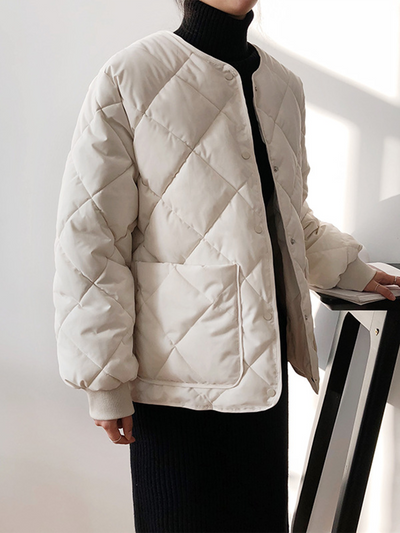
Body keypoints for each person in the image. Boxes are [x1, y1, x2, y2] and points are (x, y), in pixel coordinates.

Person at [52, 0, 399, 531]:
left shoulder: (283, 86)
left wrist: (352, 271)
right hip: (173, 381)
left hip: (262, 372)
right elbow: (91, 240)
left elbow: (288, 217)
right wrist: (104, 380)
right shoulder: (131, 76)